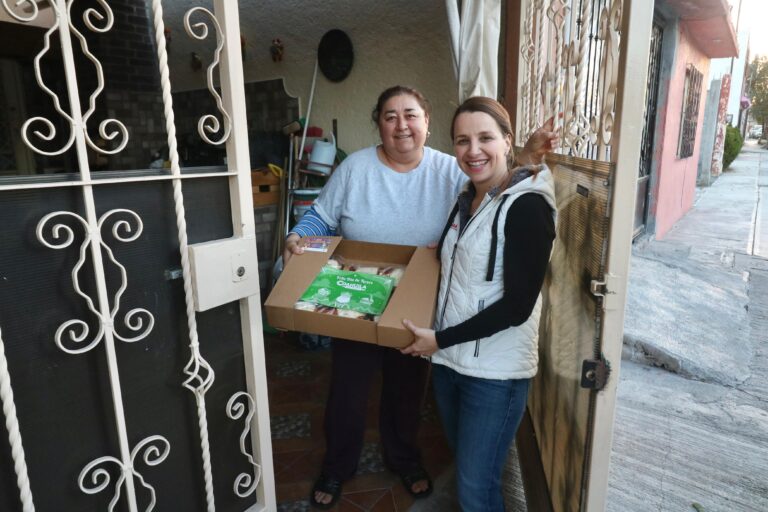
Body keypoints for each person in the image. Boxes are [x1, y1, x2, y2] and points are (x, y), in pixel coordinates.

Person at [283, 86, 556, 509]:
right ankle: (337, 467)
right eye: (390, 116)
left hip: (417, 302)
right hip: (355, 298)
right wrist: (299, 235)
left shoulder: (452, 169)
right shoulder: (355, 168)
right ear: (379, 123)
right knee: (347, 393)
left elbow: (501, 185)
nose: (401, 125)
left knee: (406, 391)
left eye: (410, 114)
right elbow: (321, 214)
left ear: (426, 122)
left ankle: (405, 460)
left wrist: (528, 158)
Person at [401, 96, 557, 512]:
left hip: (494, 375)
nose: (473, 151)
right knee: (477, 477)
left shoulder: (528, 206)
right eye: (462, 140)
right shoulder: (468, 197)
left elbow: (517, 307)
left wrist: (439, 339)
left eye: (486, 138)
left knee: (475, 491)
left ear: (507, 141)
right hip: (451, 364)